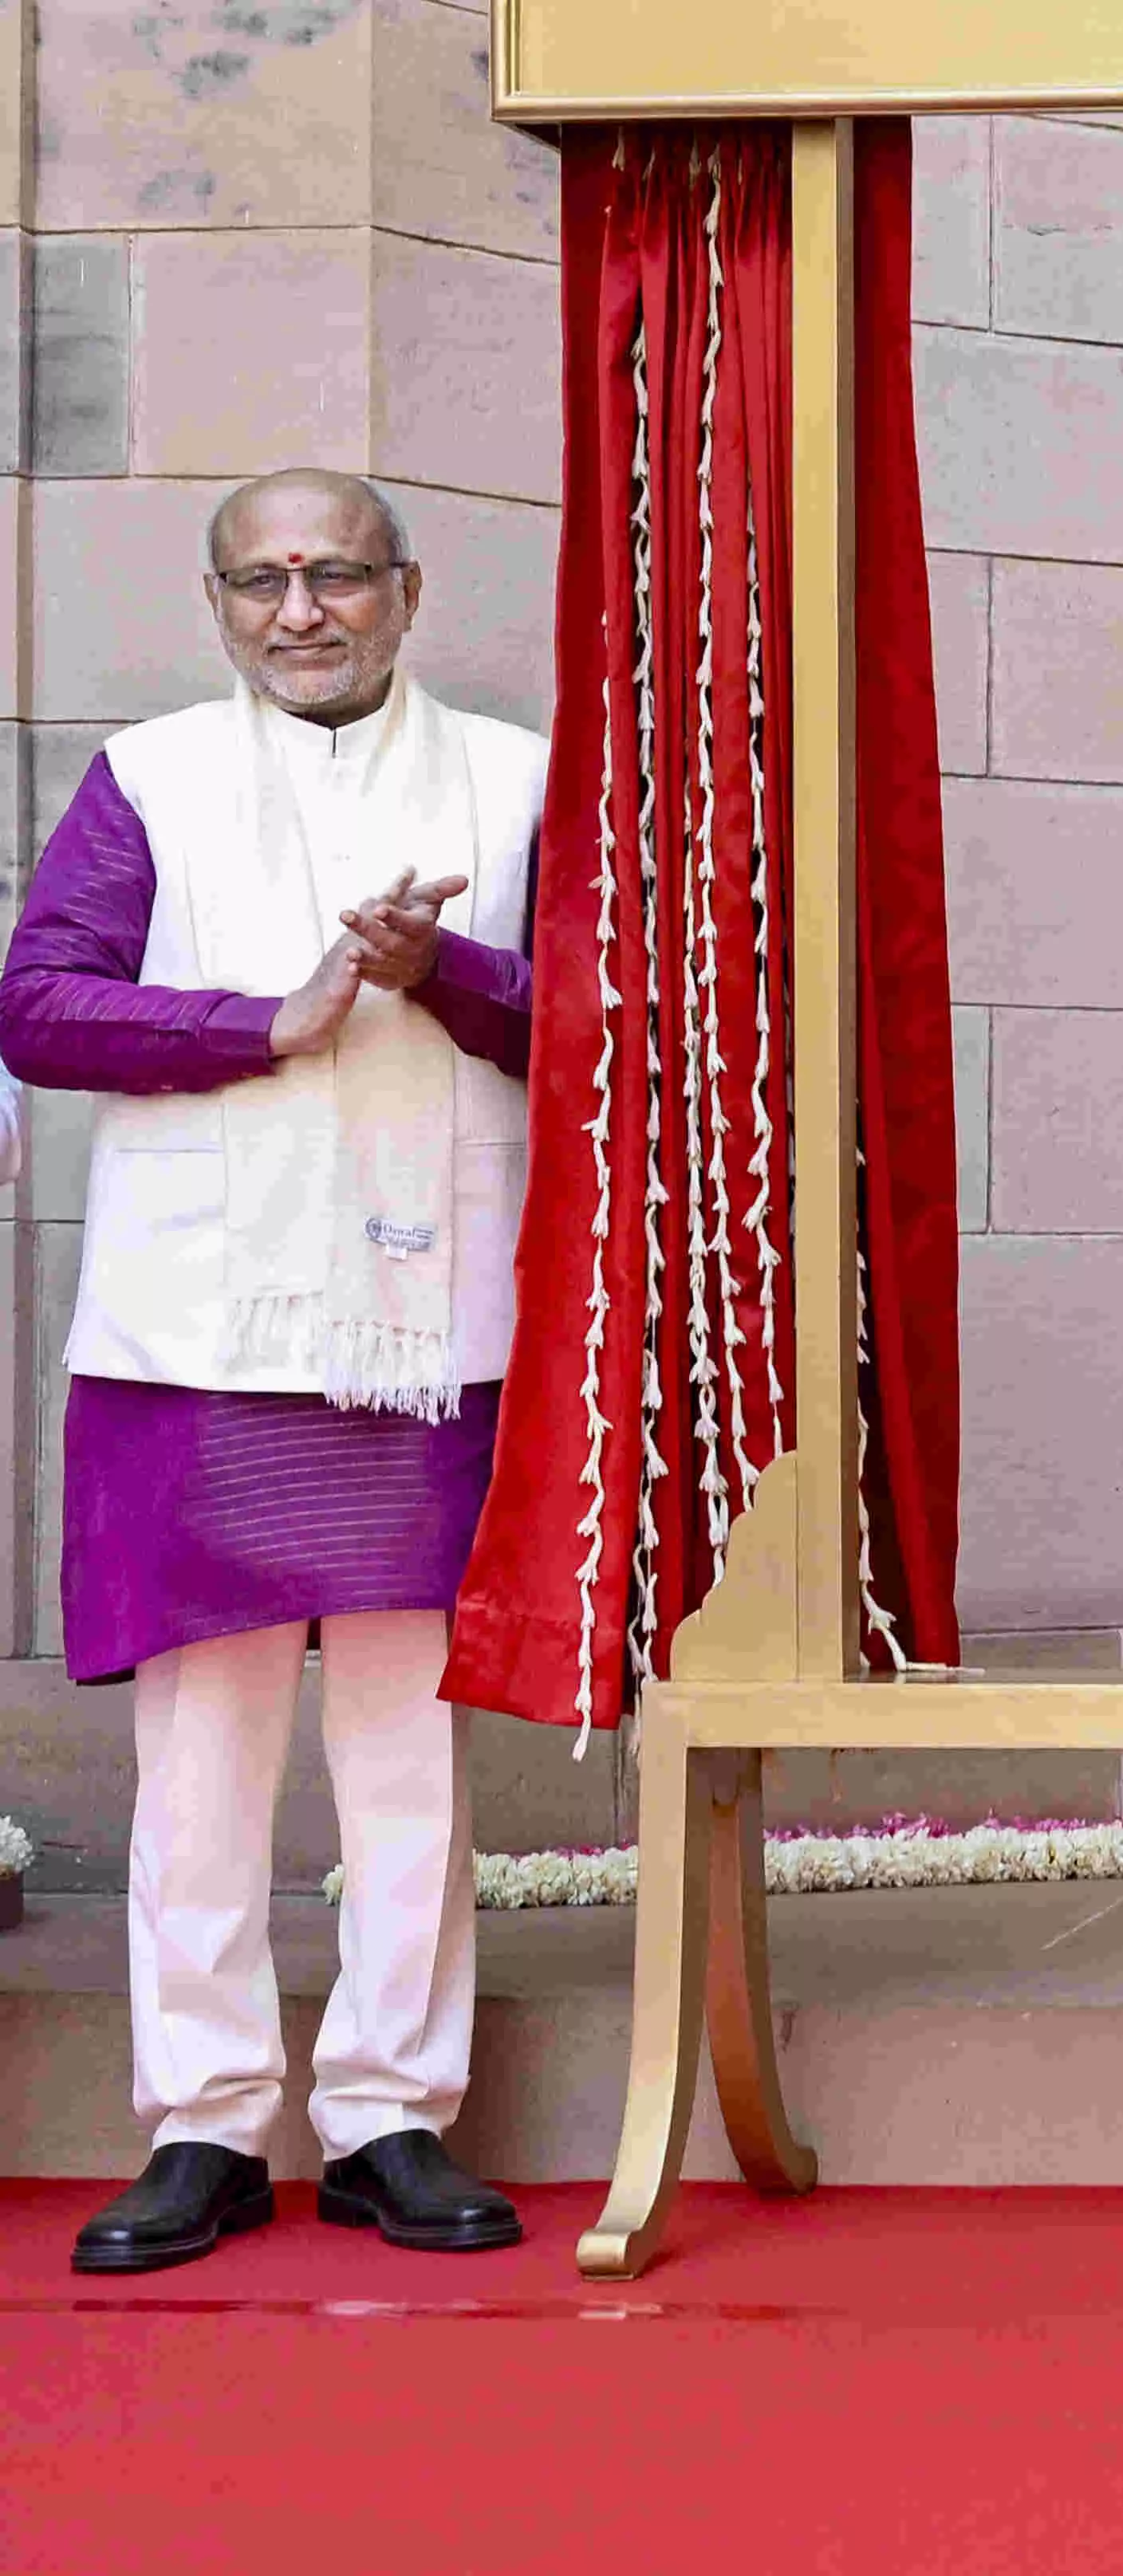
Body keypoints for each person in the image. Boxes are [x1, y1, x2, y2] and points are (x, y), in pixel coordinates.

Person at [5, 469, 538, 2274]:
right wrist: (268, 1020)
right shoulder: (149, 775)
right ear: (220, 601)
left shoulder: (516, 779)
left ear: (407, 589)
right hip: (201, 1335)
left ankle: (391, 2111)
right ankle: (206, 2121)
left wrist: (440, 968)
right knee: (203, 1752)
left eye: (335, 574)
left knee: (406, 1749)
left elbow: (605, 1019)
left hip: (423, 1335)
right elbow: (39, 1002)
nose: (299, 610)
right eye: (261, 581)